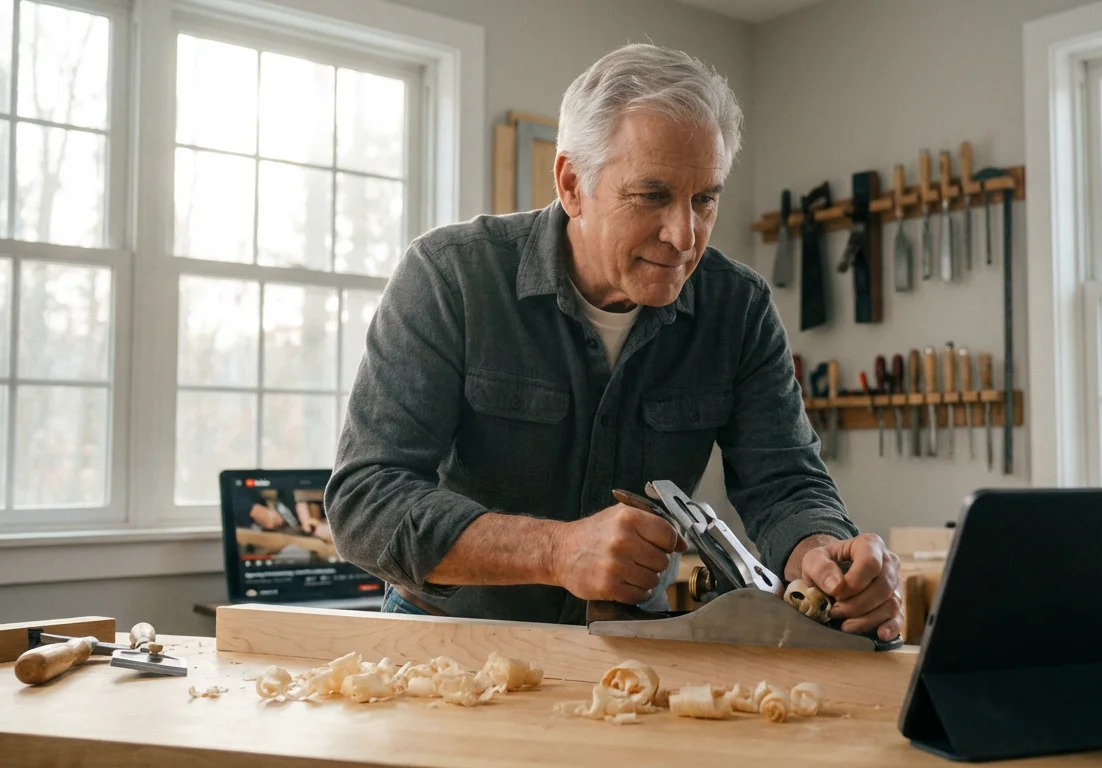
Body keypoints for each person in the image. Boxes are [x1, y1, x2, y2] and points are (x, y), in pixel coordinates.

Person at [325, 43, 903, 642]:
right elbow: (365, 503)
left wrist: (822, 554)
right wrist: (555, 550)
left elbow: (785, 482)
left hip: (627, 649)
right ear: (573, 184)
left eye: (705, 199)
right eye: (651, 195)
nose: (684, 235)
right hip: (449, 644)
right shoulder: (449, 278)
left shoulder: (740, 309)